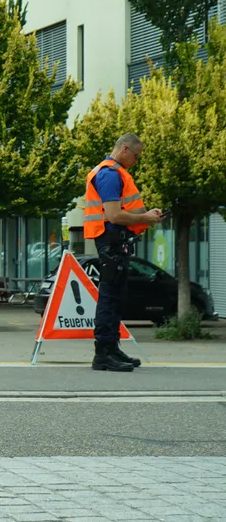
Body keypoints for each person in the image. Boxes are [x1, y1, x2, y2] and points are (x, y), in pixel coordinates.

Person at [84, 132, 164, 372]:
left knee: (116, 295)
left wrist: (146, 216)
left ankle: (112, 347)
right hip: (111, 242)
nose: (136, 161)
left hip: (115, 241)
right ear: (125, 150)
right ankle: (104, 353)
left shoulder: (113, 173)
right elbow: (114, 216)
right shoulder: (109, 175)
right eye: (136, 156)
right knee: (109, 296)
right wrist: (145, 218)